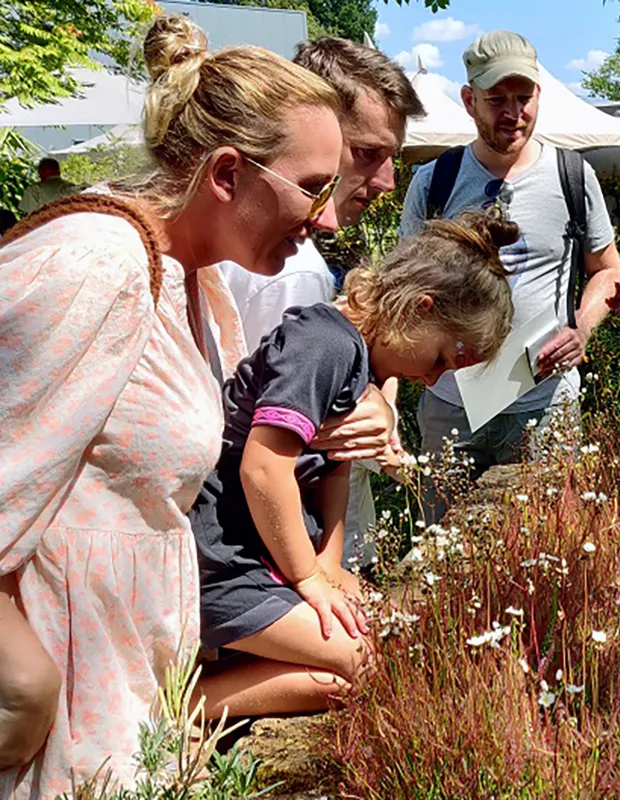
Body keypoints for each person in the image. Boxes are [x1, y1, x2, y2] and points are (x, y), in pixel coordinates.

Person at [0, 14, 349, 796]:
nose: (328, 218)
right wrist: (23, 687)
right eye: (314, 187)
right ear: (228, 173)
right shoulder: (97, 263)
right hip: (57, 713)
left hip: (122, 696)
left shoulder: (194, 281)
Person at [192, 213, 515, 717]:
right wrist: (310, 580)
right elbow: (263, 468)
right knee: (362, 663)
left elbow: (333, 468)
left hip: (265, 554)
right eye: (439, 360)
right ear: (417, 308)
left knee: (388, 633)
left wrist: (329, 564)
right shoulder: (325, 343)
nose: (430, 382)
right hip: (226, 559)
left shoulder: (356, 357)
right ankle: (181, 707)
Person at [220, 37, 426, 570]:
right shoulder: (288, 267)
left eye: (393, 158)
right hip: (284, 554)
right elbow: (267, 442)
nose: (385, 182)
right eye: (367, 154)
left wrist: (378, 391)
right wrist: (318, 572)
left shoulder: (283, 249)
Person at [399, 30, 620, 516]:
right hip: (450, 405)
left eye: (524, 98)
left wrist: (581, 328)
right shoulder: (434, 181)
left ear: (539, 95)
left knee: (548, 544)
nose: (512, 112)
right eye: (496, 99)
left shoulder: (573, 176)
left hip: (543, 403)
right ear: (468, 100)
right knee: (446, 554)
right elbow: (402, 290)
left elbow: (608, 272)